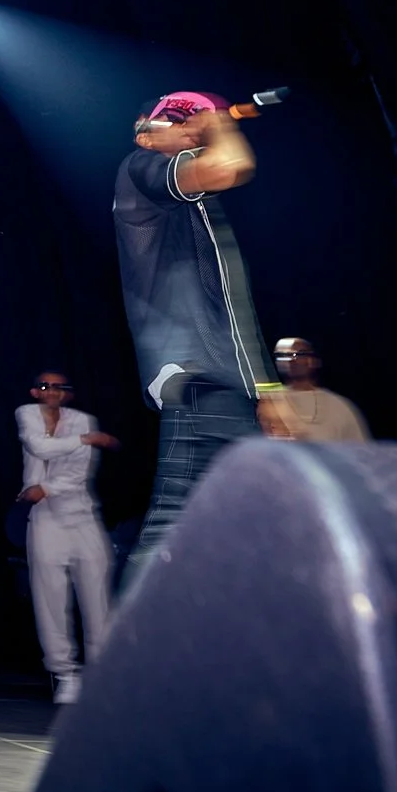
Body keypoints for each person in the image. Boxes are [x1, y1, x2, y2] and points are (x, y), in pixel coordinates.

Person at [112, 91, 269, 589]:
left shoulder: (196, 207)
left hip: (222, 378)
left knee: (236, 524)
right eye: (178, 119)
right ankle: (136, 635)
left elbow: (232, 303)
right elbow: (229, 165)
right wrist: (220, 124)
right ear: (145, 134)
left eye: (194, 118)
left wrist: (267, 389)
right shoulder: (142, 167)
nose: (190, 127)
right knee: (174, 527)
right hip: (194, 372)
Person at [15, 371, 118, 704]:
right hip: (45, 519)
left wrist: (45, 487)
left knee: (97, 598)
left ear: (67, 393)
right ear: (35, 391)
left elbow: (78, 471)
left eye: (58, 387)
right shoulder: (26, 413)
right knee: (50, 598)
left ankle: (101, 674)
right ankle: (65, 674)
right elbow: (38, 446)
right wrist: (87, 439)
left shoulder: (82, 420)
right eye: (45, 386)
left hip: (83, 516)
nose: (52, 391)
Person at [257, 337, 371, 443]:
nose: (291, 360)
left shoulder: (340, 406)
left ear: (313, 360)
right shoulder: (269, 402)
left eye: (298, 354)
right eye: (282, 355)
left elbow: (360, 450)